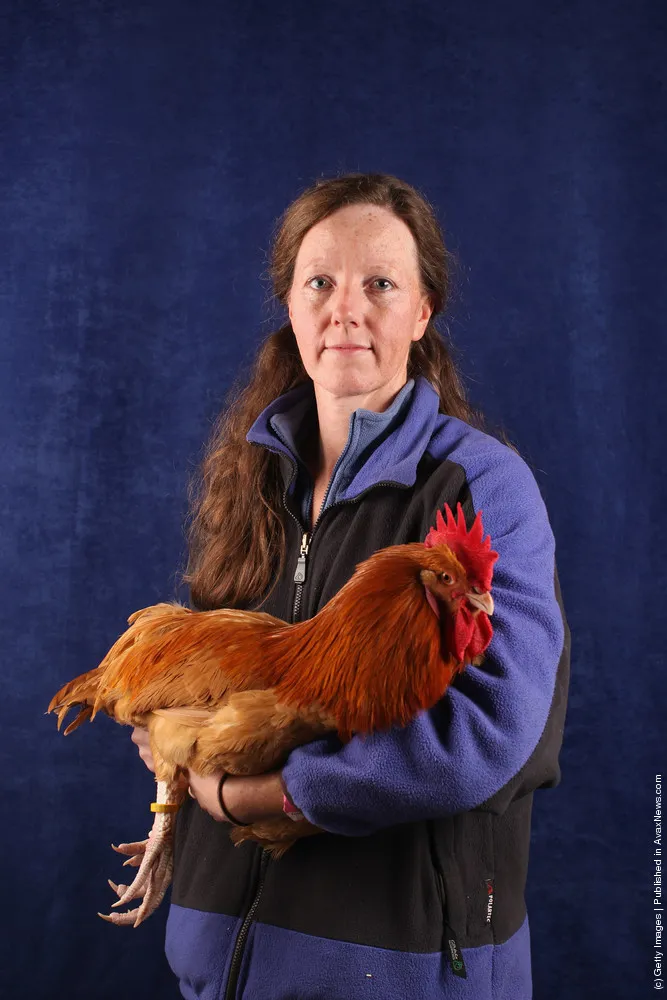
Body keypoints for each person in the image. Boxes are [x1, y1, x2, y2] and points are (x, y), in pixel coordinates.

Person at [131, 171, 571, 1000]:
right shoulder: (254, 480)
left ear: (421, 312)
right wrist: (169, 733)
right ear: (291, 305)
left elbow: (492, 733)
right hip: (219, 957)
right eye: (320, 282)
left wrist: (273, 795)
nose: (346, 309)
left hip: (392, 968)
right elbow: (210, 681)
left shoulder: (484, 487)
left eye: (379, 284)